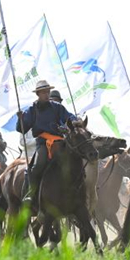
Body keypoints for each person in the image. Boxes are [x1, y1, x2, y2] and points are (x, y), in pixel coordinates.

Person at [20, 80, 80, 210]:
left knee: (76, 157)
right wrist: (20, 121)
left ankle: (79, 189)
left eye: (47, 92)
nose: (46, 95)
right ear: (38, 94)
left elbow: (68, 117)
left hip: (60, 141)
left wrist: (76, 120)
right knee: (39, 164)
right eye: (43, 92)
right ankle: (31, 193)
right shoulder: (32, 110)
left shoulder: (57, 107)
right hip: (43, 143)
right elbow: (23, 128)